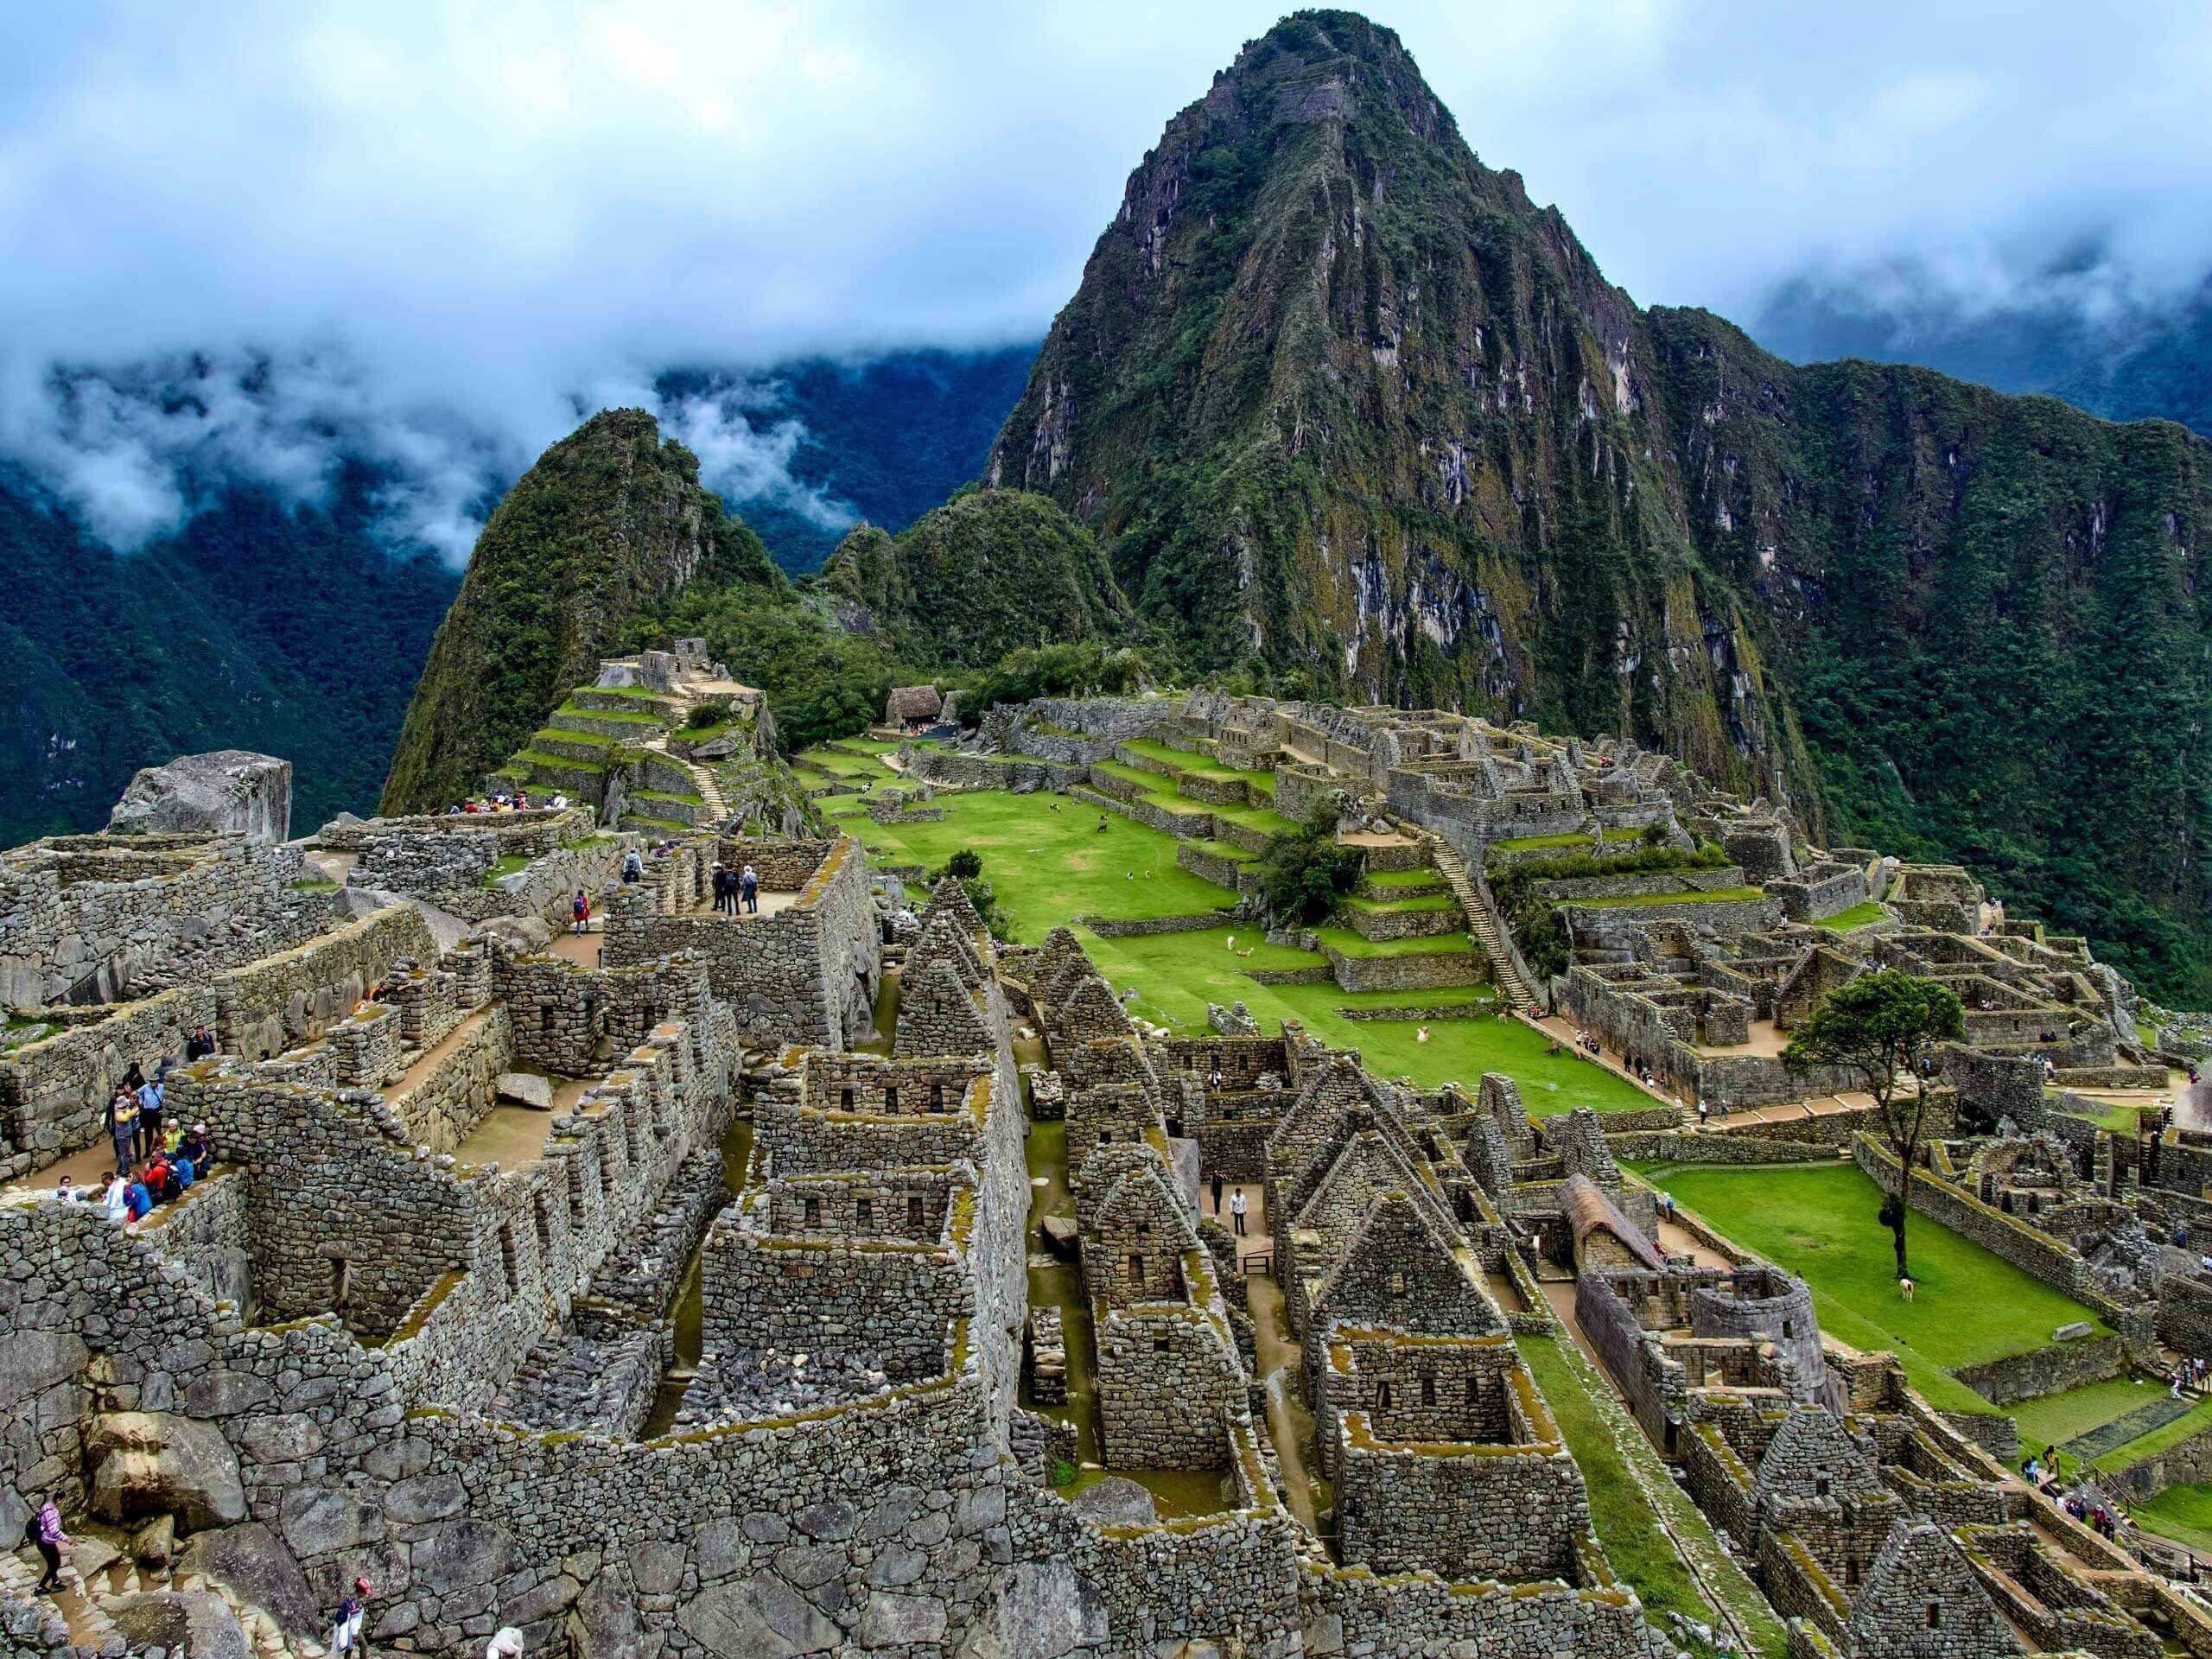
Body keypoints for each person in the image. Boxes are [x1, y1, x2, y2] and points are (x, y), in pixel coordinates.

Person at [29, 1497, 67, 1593]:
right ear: (58, 1500)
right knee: (55, 1564)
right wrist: (67, 1539)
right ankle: (40, 1588)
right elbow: (54, 1530)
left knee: (53, 1562)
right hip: (46, 1542)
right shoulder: (51, 1513)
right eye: (62, 1499)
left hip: (42, 1541)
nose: (63, 1501)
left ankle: (56, 1582)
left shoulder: (46, 1506)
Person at [330, 1577, 371, 1656]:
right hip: (352, 1628)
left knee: (350, 1648)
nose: (365, 1594)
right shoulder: (356, 1603)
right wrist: (355, 1635)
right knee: (364, 1645)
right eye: (365, 1592)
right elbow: (354, 1621)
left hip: (345, 1626)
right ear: (361, 1591)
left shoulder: (350, 1598)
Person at [105, 1086, 138, 1178]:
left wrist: (134, 1107)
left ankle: (121, 1169)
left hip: (125, 1135)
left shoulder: (124, 1110)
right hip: (122, 1136)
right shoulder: (119, 1114)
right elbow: (126, 1118)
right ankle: (125, 1170)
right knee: (125, 1155)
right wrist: (132, 1110)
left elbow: (130, 1112)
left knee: (123, 1154)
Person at [137, 1070, 165, 1163]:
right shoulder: (145, 1087)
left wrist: (163, 1106)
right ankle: (148, 1151)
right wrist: (141, 1102)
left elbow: (166, 1097)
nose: (153, 1083)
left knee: (160, 1132)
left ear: (158, 1081)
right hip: (147, 1112)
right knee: (148, 1133)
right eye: (152, 1081)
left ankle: (163, 1150)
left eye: (155, 1081)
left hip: (157, 1112)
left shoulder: (162, 1087)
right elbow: (138, 1093)